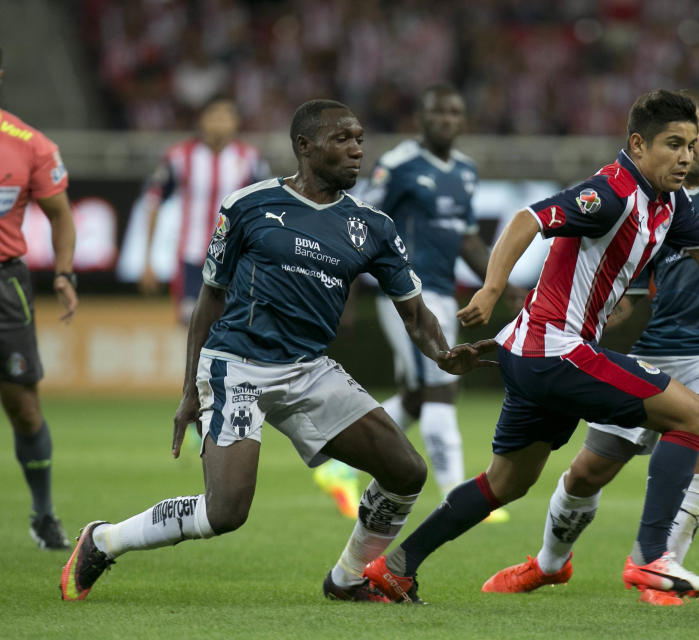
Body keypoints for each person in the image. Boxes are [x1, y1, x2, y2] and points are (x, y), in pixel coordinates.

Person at [362, 90, 699, 604]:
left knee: (505, 482)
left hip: (534, 353)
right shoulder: (612, 192)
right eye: (673, 144)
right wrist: (490, 289)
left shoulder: (670, 201)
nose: (686, 157)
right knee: (692, 417)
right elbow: (527, 219)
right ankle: (651, 559)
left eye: (691, 145)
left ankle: (395, 567)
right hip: (555, 350)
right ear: (638, 144)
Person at [60, 99, 493, 602]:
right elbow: (210, 299)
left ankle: (349, 577)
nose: (357, 150)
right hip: (236, 367)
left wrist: (443, 354)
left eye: (359, 139)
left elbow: (415, 313)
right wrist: (188, 392)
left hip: (309, 369)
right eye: (343, 139)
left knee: (406, 472)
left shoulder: (373, 226)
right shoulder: (249, 205)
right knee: (226, 513)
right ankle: (104, 539)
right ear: (304, 148)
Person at [313, 84, 517, 521]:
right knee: (444, 385)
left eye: (454, 112)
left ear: (463, 121)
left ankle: (336, 466)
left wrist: (500, 283)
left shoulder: (465, 170)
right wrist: (342, 292)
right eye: (437, 112)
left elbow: (467, 239)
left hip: (443, 292)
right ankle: (459, 496)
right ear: (421, 119)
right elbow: (358, 225)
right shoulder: (399, 165)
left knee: (420, 395)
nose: (446, 119)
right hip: (405, 295)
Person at [0, 47, 79, 550]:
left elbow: (61, 217)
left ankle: (43, 513)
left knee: (25, 408)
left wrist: (65, 274)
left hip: (4, 287)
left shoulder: (28, 144)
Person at [138, 95, 270, 325]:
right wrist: (147, 261)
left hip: (234, 258)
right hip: (191, 258)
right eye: (214, 115)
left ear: (236, 122)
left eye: (226, 115)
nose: (220, 122)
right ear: (202, 120)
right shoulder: (179, 156)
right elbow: (153, 201)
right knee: (191, 325)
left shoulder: (250, 158)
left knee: (232, 325)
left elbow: (264, 208)